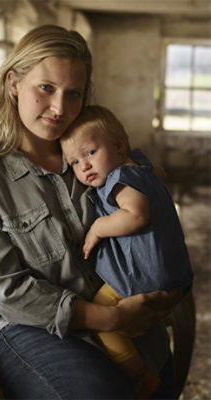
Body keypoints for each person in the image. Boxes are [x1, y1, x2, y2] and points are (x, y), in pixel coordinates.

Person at [0, 25, 184, 399]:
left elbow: (151, 222)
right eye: (46, 88)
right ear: (14, 82)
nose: (60, 108)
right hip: (35, 331)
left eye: (73, 93)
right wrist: (110, 318)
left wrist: (156, 288)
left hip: (131, 320)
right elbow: (7, 291)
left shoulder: (97, 156)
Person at [60, 105, 193, 398]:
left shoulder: (121, 179)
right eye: (73, 162)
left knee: (103, 322)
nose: (83, 166)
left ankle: (139, 375)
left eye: (90, 153)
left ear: (119, 146)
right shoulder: (140, 166)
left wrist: (97, 228)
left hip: (143, 277)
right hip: (174, 271)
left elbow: (136, 215)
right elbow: (160, 172)